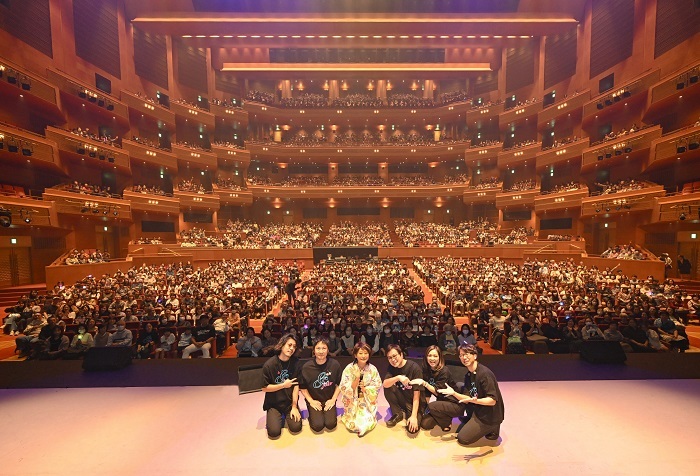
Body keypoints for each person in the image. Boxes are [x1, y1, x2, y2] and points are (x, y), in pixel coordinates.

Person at [437, 344, 505, 446]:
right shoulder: (468, 375)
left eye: (467, 354)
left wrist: (475, 401)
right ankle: (472, 418)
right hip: (479, 410)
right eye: (461, 355)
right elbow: (467, 398)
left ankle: (493, 427)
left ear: (475, 356)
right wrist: (454, 393)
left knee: (463, 439)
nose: (464, 357)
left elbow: (492, 400)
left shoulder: (485, 374)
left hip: (490, 415)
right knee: (460, 387)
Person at [410, 345, 463, 431]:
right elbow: (427, 393)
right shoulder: (426, 370)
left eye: (435, 356)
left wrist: (425, 383)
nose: (432, 358)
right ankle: (440, 413)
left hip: (453, 402)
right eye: (429, 355)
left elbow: (437, 392)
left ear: (440, 357)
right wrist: (423, 408)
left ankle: (447, 419)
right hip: (440, 401)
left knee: (432, 406)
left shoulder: (444, 371)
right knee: (425, 424)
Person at [261, 334, 302, 438]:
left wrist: (294, 406)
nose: (292, 348)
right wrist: (283, 385)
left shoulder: (296, 363)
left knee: (296, 427)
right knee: (274, 432)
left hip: (289, 402)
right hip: (274, 403)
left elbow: (296, 386)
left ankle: (292, 409)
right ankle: (274, 415)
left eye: (294, 346)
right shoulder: (269, 364)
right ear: (282, 345)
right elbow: (264, 387)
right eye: (289, 345)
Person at [299, 337, 342, 433]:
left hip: (329, 399)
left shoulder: (335, 364)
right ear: (314, 350)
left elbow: (339, 384)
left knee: (330, 425)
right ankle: (313, 413)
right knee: (318, 426)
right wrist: (311, 401)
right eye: (318, 348)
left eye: (324, 348)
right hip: (314, 400)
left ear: (328, 350)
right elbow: (303, 387)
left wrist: (333, 399)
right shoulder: (306, 367)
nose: (321, 351)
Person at [339, 342, 382, 437]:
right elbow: (344, 388)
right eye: (360, 353)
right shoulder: (349, 369)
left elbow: (377, 385)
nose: (363, 356)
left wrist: (365, 388)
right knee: (353, 424)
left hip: (366, 402)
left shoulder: (372, 369)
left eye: (366, 353)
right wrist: (357, 378)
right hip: (352, 402)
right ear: (355, 355)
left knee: (367, 422)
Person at [383, 344, 424, 434]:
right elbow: (385, 384)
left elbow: (417, 396)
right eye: (389, 358)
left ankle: (409, 413)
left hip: (413, 401)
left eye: (395, 356)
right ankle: (398, 413)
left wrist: (413, 416)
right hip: (402, 397)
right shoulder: (392, 367)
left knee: (412, 429)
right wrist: (398, 377)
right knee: (388, 385)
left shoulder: (414, 368)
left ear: (401, 354)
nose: (393, 360)